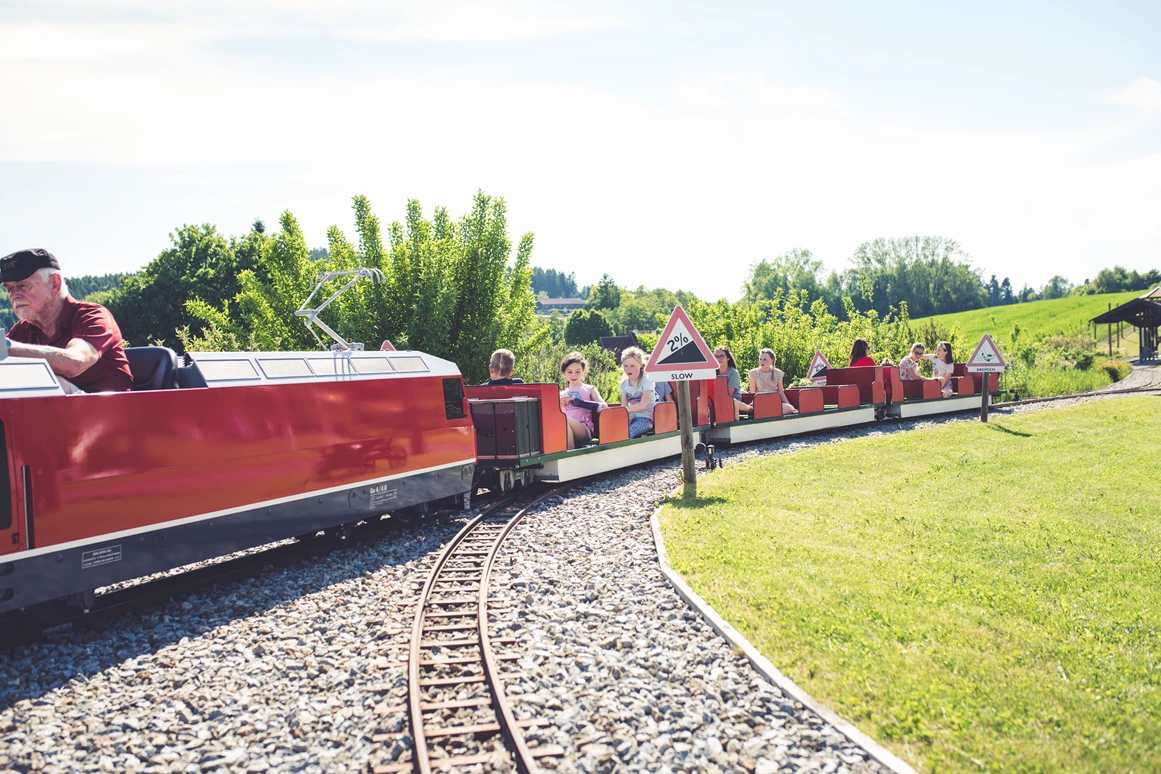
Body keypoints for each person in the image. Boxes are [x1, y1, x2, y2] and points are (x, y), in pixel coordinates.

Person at [2, 248, 132, 394]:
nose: (14, 295)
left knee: (48, 382)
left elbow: (75, 362)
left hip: (110, 411)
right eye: (9, 289)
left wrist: (5, 348)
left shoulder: (93, 316)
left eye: (23, 285)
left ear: (54, 283)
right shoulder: (21, 331)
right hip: (56, 413)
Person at [558, 351, 606, 450]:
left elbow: (604, 406)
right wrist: (557, 405)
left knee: (563, 418)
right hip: (564, 428)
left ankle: (570, 455)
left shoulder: (589, 389)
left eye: (578, 371)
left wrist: (578, 402)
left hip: (584, 429)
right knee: (559, 419)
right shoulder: (560, 394)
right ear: (564, 373)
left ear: (583, 371)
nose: (574, 375)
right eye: (569, 372)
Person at [618, 346, 655, 438]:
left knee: (629, 433)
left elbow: (643, 405)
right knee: (616, 431)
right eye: (625, 366)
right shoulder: (623, 384)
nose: (628, 369)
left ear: (641, 365)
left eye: (632, 366)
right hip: (631, 418)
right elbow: (624, 405)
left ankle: (627, 451)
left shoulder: (646, 381)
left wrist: (626, 409)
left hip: (645, 418)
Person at [747, 348, 797, 415]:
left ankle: (768, 413)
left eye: (765, 359)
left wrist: (791, 407)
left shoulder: (778, 373)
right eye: (760, 359)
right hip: (760, 401)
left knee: (789, 408)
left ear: (772, 360)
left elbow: (781, 393)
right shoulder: (754, 373)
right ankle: (769, 413)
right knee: (751, 409)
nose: (762, 361)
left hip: (774, 401)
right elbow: (753, 393)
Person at [713, 345, 752, 419]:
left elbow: (729, 394)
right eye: (716, 356)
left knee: (730, 402)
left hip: (733, 400)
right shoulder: (713, 373)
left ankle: (749, 408)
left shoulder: (733, 373)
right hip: (717, 400)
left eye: (721, 356)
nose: (719, 359)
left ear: (728, 358)